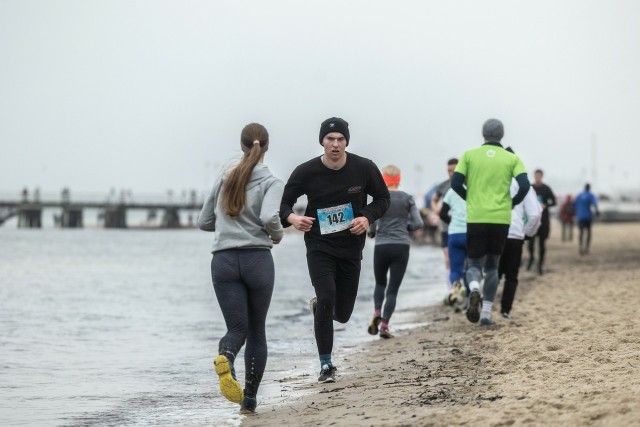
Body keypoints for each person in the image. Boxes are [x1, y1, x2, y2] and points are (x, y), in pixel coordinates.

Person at [279, 117, 390, 383]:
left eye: (340, 139)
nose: (335, 144)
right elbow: (283, 205)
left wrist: (366, 216)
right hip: (319, 245)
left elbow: (383, 198)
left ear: (346, 142)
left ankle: (321, 308)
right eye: (330, 139)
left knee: (342, 313)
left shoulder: (364, 168)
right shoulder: (305, 172)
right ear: (322, 142)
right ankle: (326, 364)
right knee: (327, 295)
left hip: (351, 247)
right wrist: (293, 219)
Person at [198, 123, 284, 414]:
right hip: (256, 260)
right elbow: (270, 216)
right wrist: (277, 234)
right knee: (257, 330)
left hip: (222, 262)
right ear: (266, 147)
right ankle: (248, 399)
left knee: (236, 328)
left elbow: (203, 221)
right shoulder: (271, 182)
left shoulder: (225, 178)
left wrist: (227, 226)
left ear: (243, 145)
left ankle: (227, 354)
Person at [451, 118, 530, 326]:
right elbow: (524, 185)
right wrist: (512, 203)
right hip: (500, 218)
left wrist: (469, 197)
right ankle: (486, 314)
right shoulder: (511, 158)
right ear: (501, 135)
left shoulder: (469, 155)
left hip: (477, 216)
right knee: (493, 267)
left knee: (475, 263)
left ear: (483, 135)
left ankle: (474, 287)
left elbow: (455, 182)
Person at [366, 165, 423, 339]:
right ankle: (384, 325)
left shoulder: (379, 198)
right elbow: (419, 223)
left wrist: (372, 232)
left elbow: (372, 224)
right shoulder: (407, 198)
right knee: (393, 290)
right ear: (398, 179)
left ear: (383, 179)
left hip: (382, 246)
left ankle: (376, 312)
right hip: (401, 246)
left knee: (380, 283)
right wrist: (406, 227)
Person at [498, 147, 542, 319]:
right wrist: (528, 233)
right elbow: (535, 214)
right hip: (515, 234)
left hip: (495, 231)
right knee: (511, 275)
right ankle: (505, 310)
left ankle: (485, 308)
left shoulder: (493, 181)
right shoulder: (523, 185)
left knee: (493, 271)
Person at [430, 159, 459, 290]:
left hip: (460, 226)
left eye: (454, 170)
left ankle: (459, 286)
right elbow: (434, 200)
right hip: (445, 227)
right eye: (449, 171)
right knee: (447, 258)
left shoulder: (465, 184)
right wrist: (436, 209)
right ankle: (450, 291)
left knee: (461, 259)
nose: (452, 173)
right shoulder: (443, 185)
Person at [438, 182, 468, 308]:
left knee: (454, 268)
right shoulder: (473, 191)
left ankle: (456, 283)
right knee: (470, 268)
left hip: (454, 234)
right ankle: (468, 298)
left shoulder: (451, 191)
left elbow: (442, 213)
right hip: (470, 233)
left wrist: (452, 222)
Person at [526, 169, 556, 275]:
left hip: (543, 220)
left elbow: (554, 202)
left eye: (539, 176)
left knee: (542, 243)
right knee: (530, 243)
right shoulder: (530, 188)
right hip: (532, 219)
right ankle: (531, 258)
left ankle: (541, 264)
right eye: (536, 176)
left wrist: (546, 205)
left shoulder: (546, 189)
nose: (537, 177)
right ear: (534, 176)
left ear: (542, 176)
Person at [574, 183, 599, 255]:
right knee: (588, 232)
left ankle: (580, 247)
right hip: (588, 216)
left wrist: (576, 213)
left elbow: (574, 204)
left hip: (580, 216)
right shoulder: (591, 195)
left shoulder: (579, 195)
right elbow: (595, 203)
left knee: (581, 232)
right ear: (589, 188)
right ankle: (587, 248)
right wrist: (597, 211)